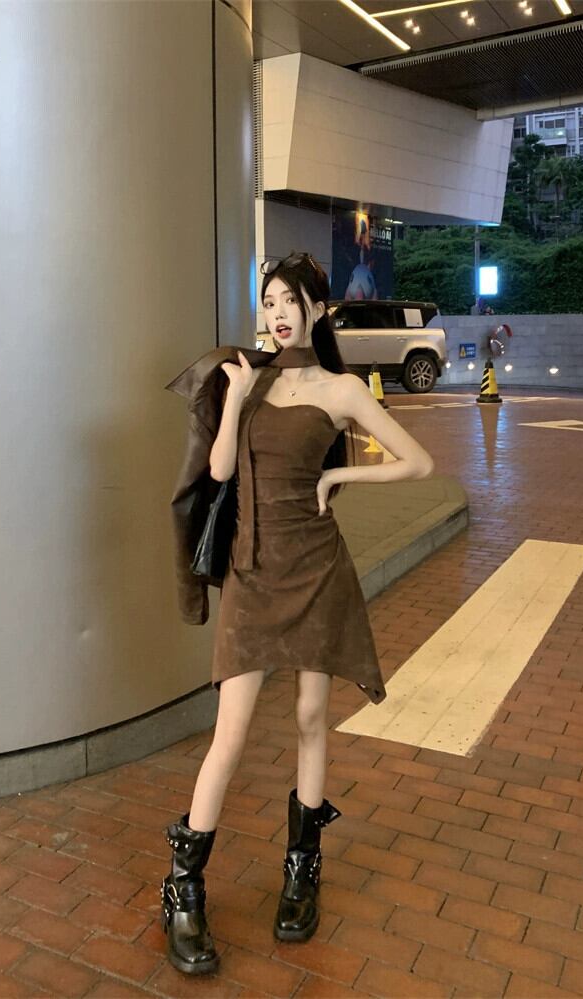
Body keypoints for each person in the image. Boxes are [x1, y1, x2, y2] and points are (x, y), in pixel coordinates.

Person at [160, 251, 434, 976]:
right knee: (230, 734)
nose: (278, 314)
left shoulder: (342, 390)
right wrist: (236, 399)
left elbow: (419, 462)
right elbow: (219, 470)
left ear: (318, 309)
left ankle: (302, 871)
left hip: (316, 569)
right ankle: (183, 887)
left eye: (290, 301)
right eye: (269, 301)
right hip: (252, 575)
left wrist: (339, 471)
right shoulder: (246, 376)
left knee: (312, 717)